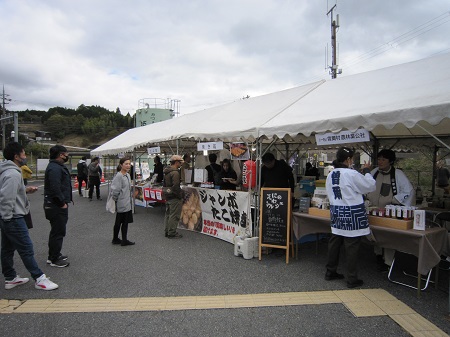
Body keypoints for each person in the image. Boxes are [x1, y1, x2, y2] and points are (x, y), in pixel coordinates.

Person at [0, 142, 59, 291]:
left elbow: (9, 192)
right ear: (16, 156)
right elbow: (6, 198)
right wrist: (7, 218)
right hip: (13, 217)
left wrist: (24, 190)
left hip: (8, 217)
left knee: (7, 249)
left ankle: (10, 278)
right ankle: (39, 278)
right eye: (24, 153)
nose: (25, 156)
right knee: (26, 248)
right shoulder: (13, 173)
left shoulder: (6, 171)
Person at [325, 147, 376, 288]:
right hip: (352, 212)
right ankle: (352, 278)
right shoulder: (351, 174)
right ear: (348, 160)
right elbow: (370, 186)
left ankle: (330, 271)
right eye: (352, 158)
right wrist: (366, 171)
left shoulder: (331, 174)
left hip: (336, 211)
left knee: (335, 241)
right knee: (352, 245)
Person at [366, 149, 415, 272]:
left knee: (388, 236)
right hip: (373, 210)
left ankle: (388, 261)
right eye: (379, 159)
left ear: (390, 161)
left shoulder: (397, 174)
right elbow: (365, 185)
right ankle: (378, 255)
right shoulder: (374, 172)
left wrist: (394, 201)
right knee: (375, 233)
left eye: (383, 159)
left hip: (388, 212)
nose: (380, 162)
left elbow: (408, 191)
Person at [43, 145, 71, 268]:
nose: (67, 156)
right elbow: (55, 188)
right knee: (58, 232)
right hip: (56, 206)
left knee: (57, 231)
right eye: (66, 154)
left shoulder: (55, 167)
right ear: (61, 155)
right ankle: (54, 258)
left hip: (55, 204)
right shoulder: (55, 168)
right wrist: (62, 203)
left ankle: (54, 254)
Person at [110, 157, 135, 246]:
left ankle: (117, 238)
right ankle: (122, 240)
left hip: (127, 202)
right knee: (122, 221)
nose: (128, 166)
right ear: (121, 165)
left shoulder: (127, 175)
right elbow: (115, 190)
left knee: (121, 221)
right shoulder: (119, 176)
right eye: (126, 164)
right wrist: (116, 200)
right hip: (122, 202)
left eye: (129, 164)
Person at [163, 155, 184, 239]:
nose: (181, 164)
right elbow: (176, 187)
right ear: (176, 162)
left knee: (168, 214)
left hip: (168, 195)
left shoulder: (167, 171)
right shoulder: (175, 172)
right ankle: (172, 232)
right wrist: (180, 196)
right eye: (180, 162)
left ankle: (167, 231)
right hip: (174, 197)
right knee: (174, 215)